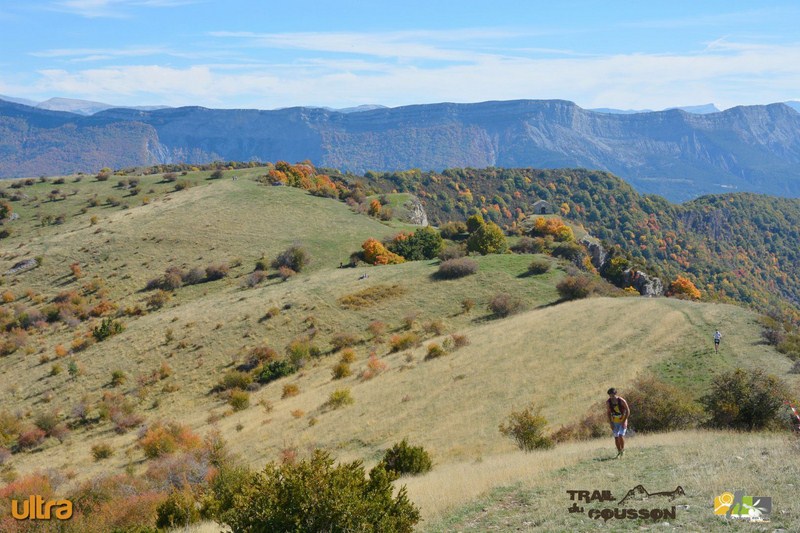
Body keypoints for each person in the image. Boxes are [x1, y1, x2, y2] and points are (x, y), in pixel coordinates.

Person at [607, 388, 630, 458]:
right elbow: (608, 412)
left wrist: (624, 421)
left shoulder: (621, 401)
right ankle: (619, 451)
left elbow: (628, 411)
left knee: (620, 435)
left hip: (622, 419)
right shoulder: (608, 402)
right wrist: (611, 423)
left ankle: (623, 450)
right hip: (615, 421)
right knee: (616, 437)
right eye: (610, 395)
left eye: (612, 395)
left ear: (615, 394)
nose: (611, 397)